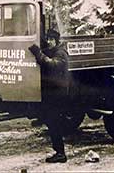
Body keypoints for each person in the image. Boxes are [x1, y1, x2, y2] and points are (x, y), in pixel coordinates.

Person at [28, 28, 70, 163]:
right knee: (52, 122)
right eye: (48, 39)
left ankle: (60, 153)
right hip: (53, 94)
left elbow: (53, 65)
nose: (49, 41)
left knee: (55, 123)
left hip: (58, 95)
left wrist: (39, 54)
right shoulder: (52, 51)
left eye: (52, 39)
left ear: (57, 40)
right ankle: (59, 151)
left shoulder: (61, 53)